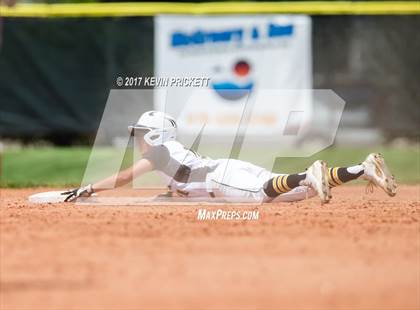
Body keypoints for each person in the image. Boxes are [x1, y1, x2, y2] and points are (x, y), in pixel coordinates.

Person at [63, 111, 397, 203]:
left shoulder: (159, 152)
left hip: (218, 178)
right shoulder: (168, 154)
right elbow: (176, 183)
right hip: (225, 168)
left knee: (260, 193)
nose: (136, 139)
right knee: (298, 193)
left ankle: (311, 173)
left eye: (139, 133)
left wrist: (88, 188)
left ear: (153, 136)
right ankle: (361, 168)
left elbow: (124, 178)